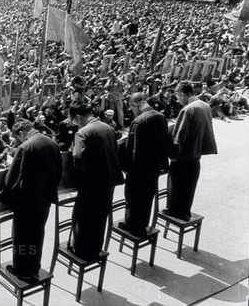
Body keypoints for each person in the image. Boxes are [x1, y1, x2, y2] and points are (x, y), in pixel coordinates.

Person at [0, 119, 61, 280]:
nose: (19, 141)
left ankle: (22, 270)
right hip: (44, 199)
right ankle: (34, 267)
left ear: (21, 133)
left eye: (18, 138)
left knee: (22, 237)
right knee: (37, 234)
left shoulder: (25, 147)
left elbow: (11, 179)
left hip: (26, 203)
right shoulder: (51, 143)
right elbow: (59, 171)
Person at [69, 102, 123, 261]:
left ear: (78, 117)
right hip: (109, 182)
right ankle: (95, 249)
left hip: (91, 185)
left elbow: (77, 159)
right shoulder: (108, 128)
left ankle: (81, 252)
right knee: (100, 218)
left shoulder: (82, 133)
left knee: (83, 219)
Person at [166, 81, 217, 221]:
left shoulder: (188, 109)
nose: (177, 100)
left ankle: (175, 213)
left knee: (177, 189)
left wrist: (172, 156)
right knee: (189, 190)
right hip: (196, 156)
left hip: (184, 158)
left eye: (177, 96)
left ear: (182, 94)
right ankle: (184, 212)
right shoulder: (204, 105)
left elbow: (179, 137)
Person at [120, 93, 169, 237]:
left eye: (132, 107)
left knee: (133, 199)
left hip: (138, 170)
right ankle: (142, 224)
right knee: (147, 198)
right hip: (153, 168)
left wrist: (126, 167)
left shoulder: (139, 121)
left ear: (135, 104)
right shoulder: (161, 117)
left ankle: (132, 226)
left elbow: (132, 151)